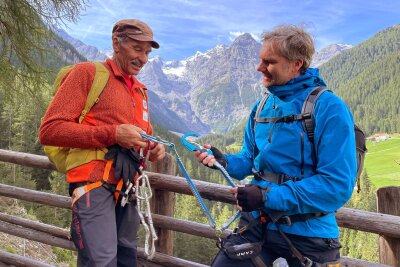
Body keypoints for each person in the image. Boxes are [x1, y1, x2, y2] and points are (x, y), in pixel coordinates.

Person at [196, 25, 356, 267]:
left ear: (296, 64)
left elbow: (336, 185)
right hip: (257, 224)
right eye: (261, 60)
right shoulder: (261, 107)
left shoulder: (329, 108)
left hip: (309, 234)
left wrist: (266, 196)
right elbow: (250, 160)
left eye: (268, 62)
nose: (259, 68)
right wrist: (225, 161)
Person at [39, 19, 165, 267]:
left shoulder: (140, 92)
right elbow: (50, 130)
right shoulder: (87, 74)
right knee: (101, 262)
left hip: (126, 187)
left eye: (147, 53)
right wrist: (113, 134)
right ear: (116, 43)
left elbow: (142, 135)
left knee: (125, 260)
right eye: (137, 49)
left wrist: (153, 146)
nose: (143, 59)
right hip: (93, 183)